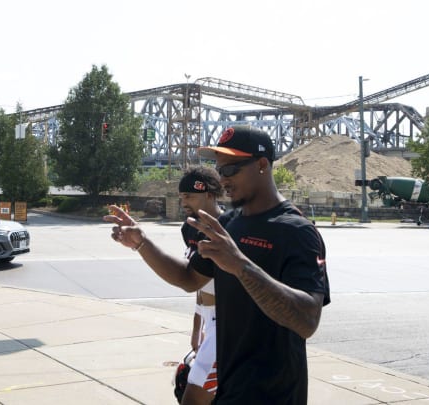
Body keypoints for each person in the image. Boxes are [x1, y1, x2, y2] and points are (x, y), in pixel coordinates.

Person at [105, 126, 330, 404]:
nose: (222, 179)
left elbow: (307, 321)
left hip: (275, 395)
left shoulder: (297, 231)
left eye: (230, 169)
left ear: (262, 165)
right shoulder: (228, 224)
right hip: (229, 388)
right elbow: (189, 279)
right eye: (219, 169)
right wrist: (142, 243)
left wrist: (240, 265)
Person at [176, 166, 224, 405]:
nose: (184, 202)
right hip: (208, 321)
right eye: (182, 196)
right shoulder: (188, 228)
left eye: (189, 196)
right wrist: (197, 327)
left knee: (192, 395)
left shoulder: (226, 228)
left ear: (209, 194)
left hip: (225, 324)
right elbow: (199, 281)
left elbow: (189, 279)